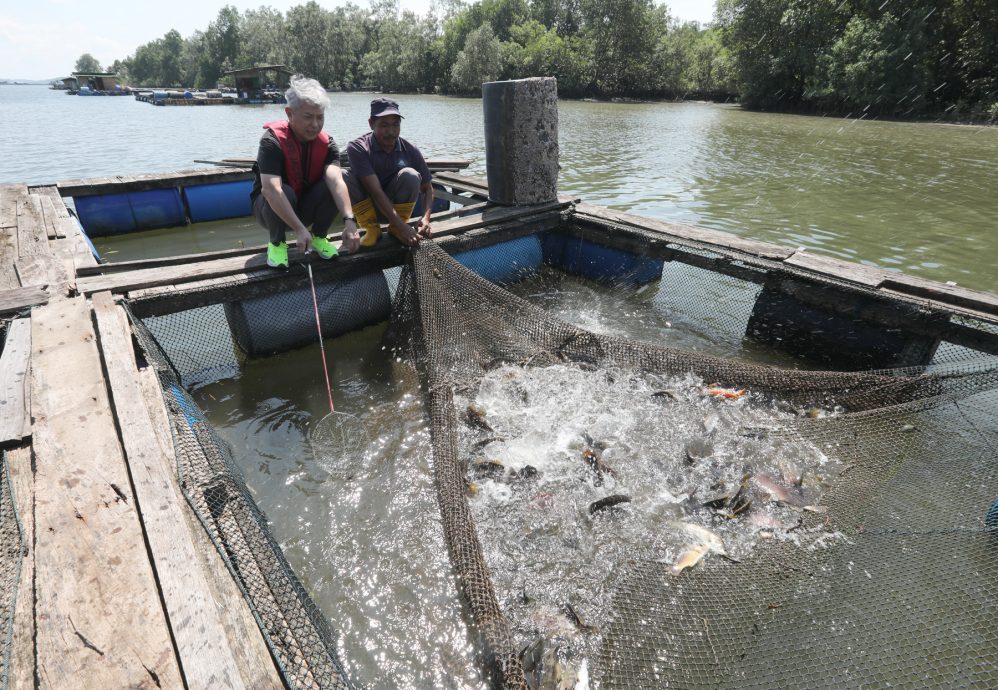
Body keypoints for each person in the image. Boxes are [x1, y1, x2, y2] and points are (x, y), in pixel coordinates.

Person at [251, 75, 361, 269]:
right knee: (284, 190)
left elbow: (336, 181)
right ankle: (277, 244)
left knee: (339, 180)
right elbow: (270, 189)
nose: (315, 124)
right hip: (269, 209)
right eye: (308, 117)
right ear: (290, 113)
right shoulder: (271, 141)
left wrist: (350, 221)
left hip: (304, 206)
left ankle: (319, 237)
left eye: (320, 117)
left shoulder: (328, 144)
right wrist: (300, 229)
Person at [343, 98, 434, 248]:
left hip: (397, 212)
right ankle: (372, 228)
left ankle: (394, 229)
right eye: (384, 125)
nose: (391, 132)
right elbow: (376, 191)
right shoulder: (357, 147)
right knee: (342, 175)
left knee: (410, 175)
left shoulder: (410, 149)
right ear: (371, 123)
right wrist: (403, 227)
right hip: (369, 209)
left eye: (395, 125)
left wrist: (426, 218)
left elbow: (427, 188)